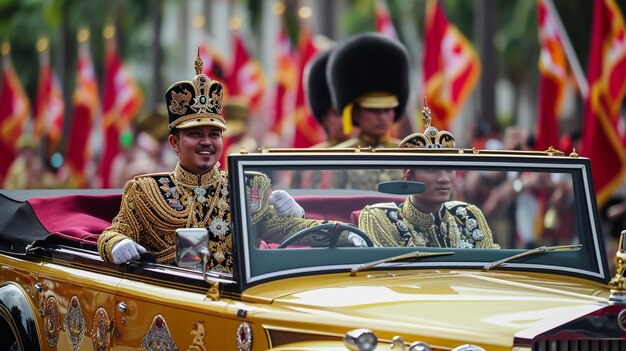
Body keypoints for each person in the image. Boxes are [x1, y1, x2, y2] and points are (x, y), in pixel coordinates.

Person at [97, 55, 329, 272]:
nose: (206, 142)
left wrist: (317, 223)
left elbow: (285, 230)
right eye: (195, 134)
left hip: (236, 301)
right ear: (174, 143)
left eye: (214, 134)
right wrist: (117, 244)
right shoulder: (145, 192)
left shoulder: (246, 187)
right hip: (176, 302)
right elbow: (113, 233)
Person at [357, 106, 499, 249]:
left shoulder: (469, 216)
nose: (444, 178)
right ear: (410, 176)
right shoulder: (381, 219)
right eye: (431, 169)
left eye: (449, 169)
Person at [325, 33, 409, 190]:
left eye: (388, 109)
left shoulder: (410, 154)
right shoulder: (339, 156)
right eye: (373, 110)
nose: (382, 117)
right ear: (356, 113)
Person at [305, 49, 350, 148]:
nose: (343, 120)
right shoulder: (312, 157)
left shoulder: (371, 155)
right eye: (337, 114)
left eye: (347, 113)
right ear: (324, 118)